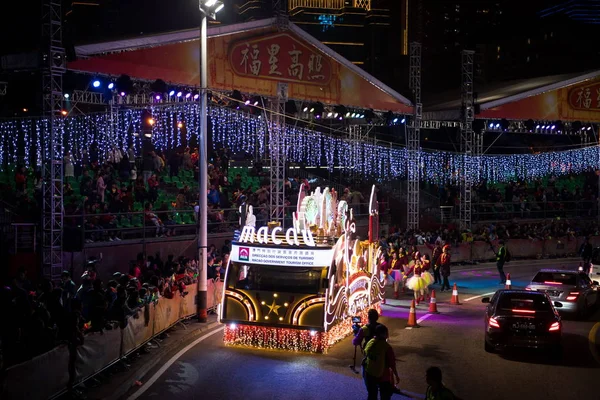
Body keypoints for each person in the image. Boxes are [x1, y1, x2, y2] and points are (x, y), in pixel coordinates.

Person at [363, 325, 400, 400]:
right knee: (385, 396)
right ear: (383, 334)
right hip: (383, 375)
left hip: (369, 372)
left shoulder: (371, 342)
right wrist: (396, 375)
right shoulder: (386, 347)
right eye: (386, 333)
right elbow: (392, 364)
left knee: (372, 395)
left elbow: (365, 353)